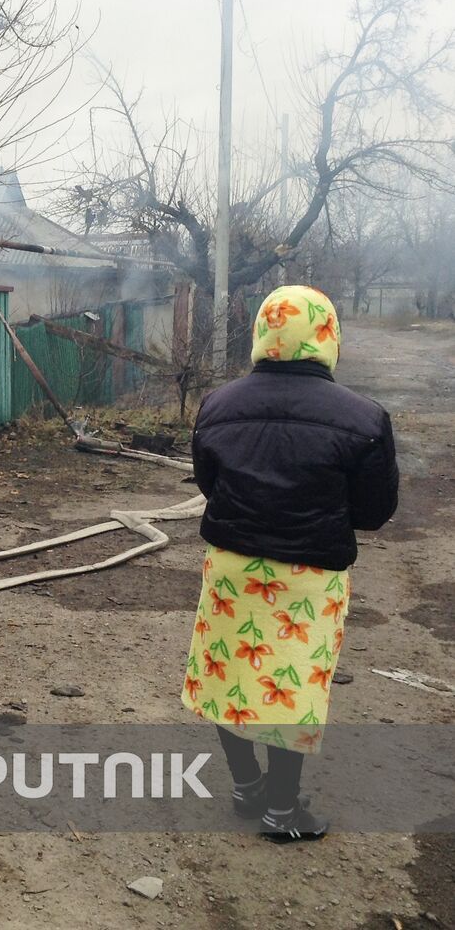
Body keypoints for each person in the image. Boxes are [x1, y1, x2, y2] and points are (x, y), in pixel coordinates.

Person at [181, 285, 398, 842]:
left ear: (263, 331)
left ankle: (246, 786)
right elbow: (374, 512)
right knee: (290, 685)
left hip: (233, 568)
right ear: (327, 334)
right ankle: (282, 809)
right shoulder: (365, 417)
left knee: (230, 677)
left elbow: (210, 485)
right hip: (309, 578)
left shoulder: (217, 405)